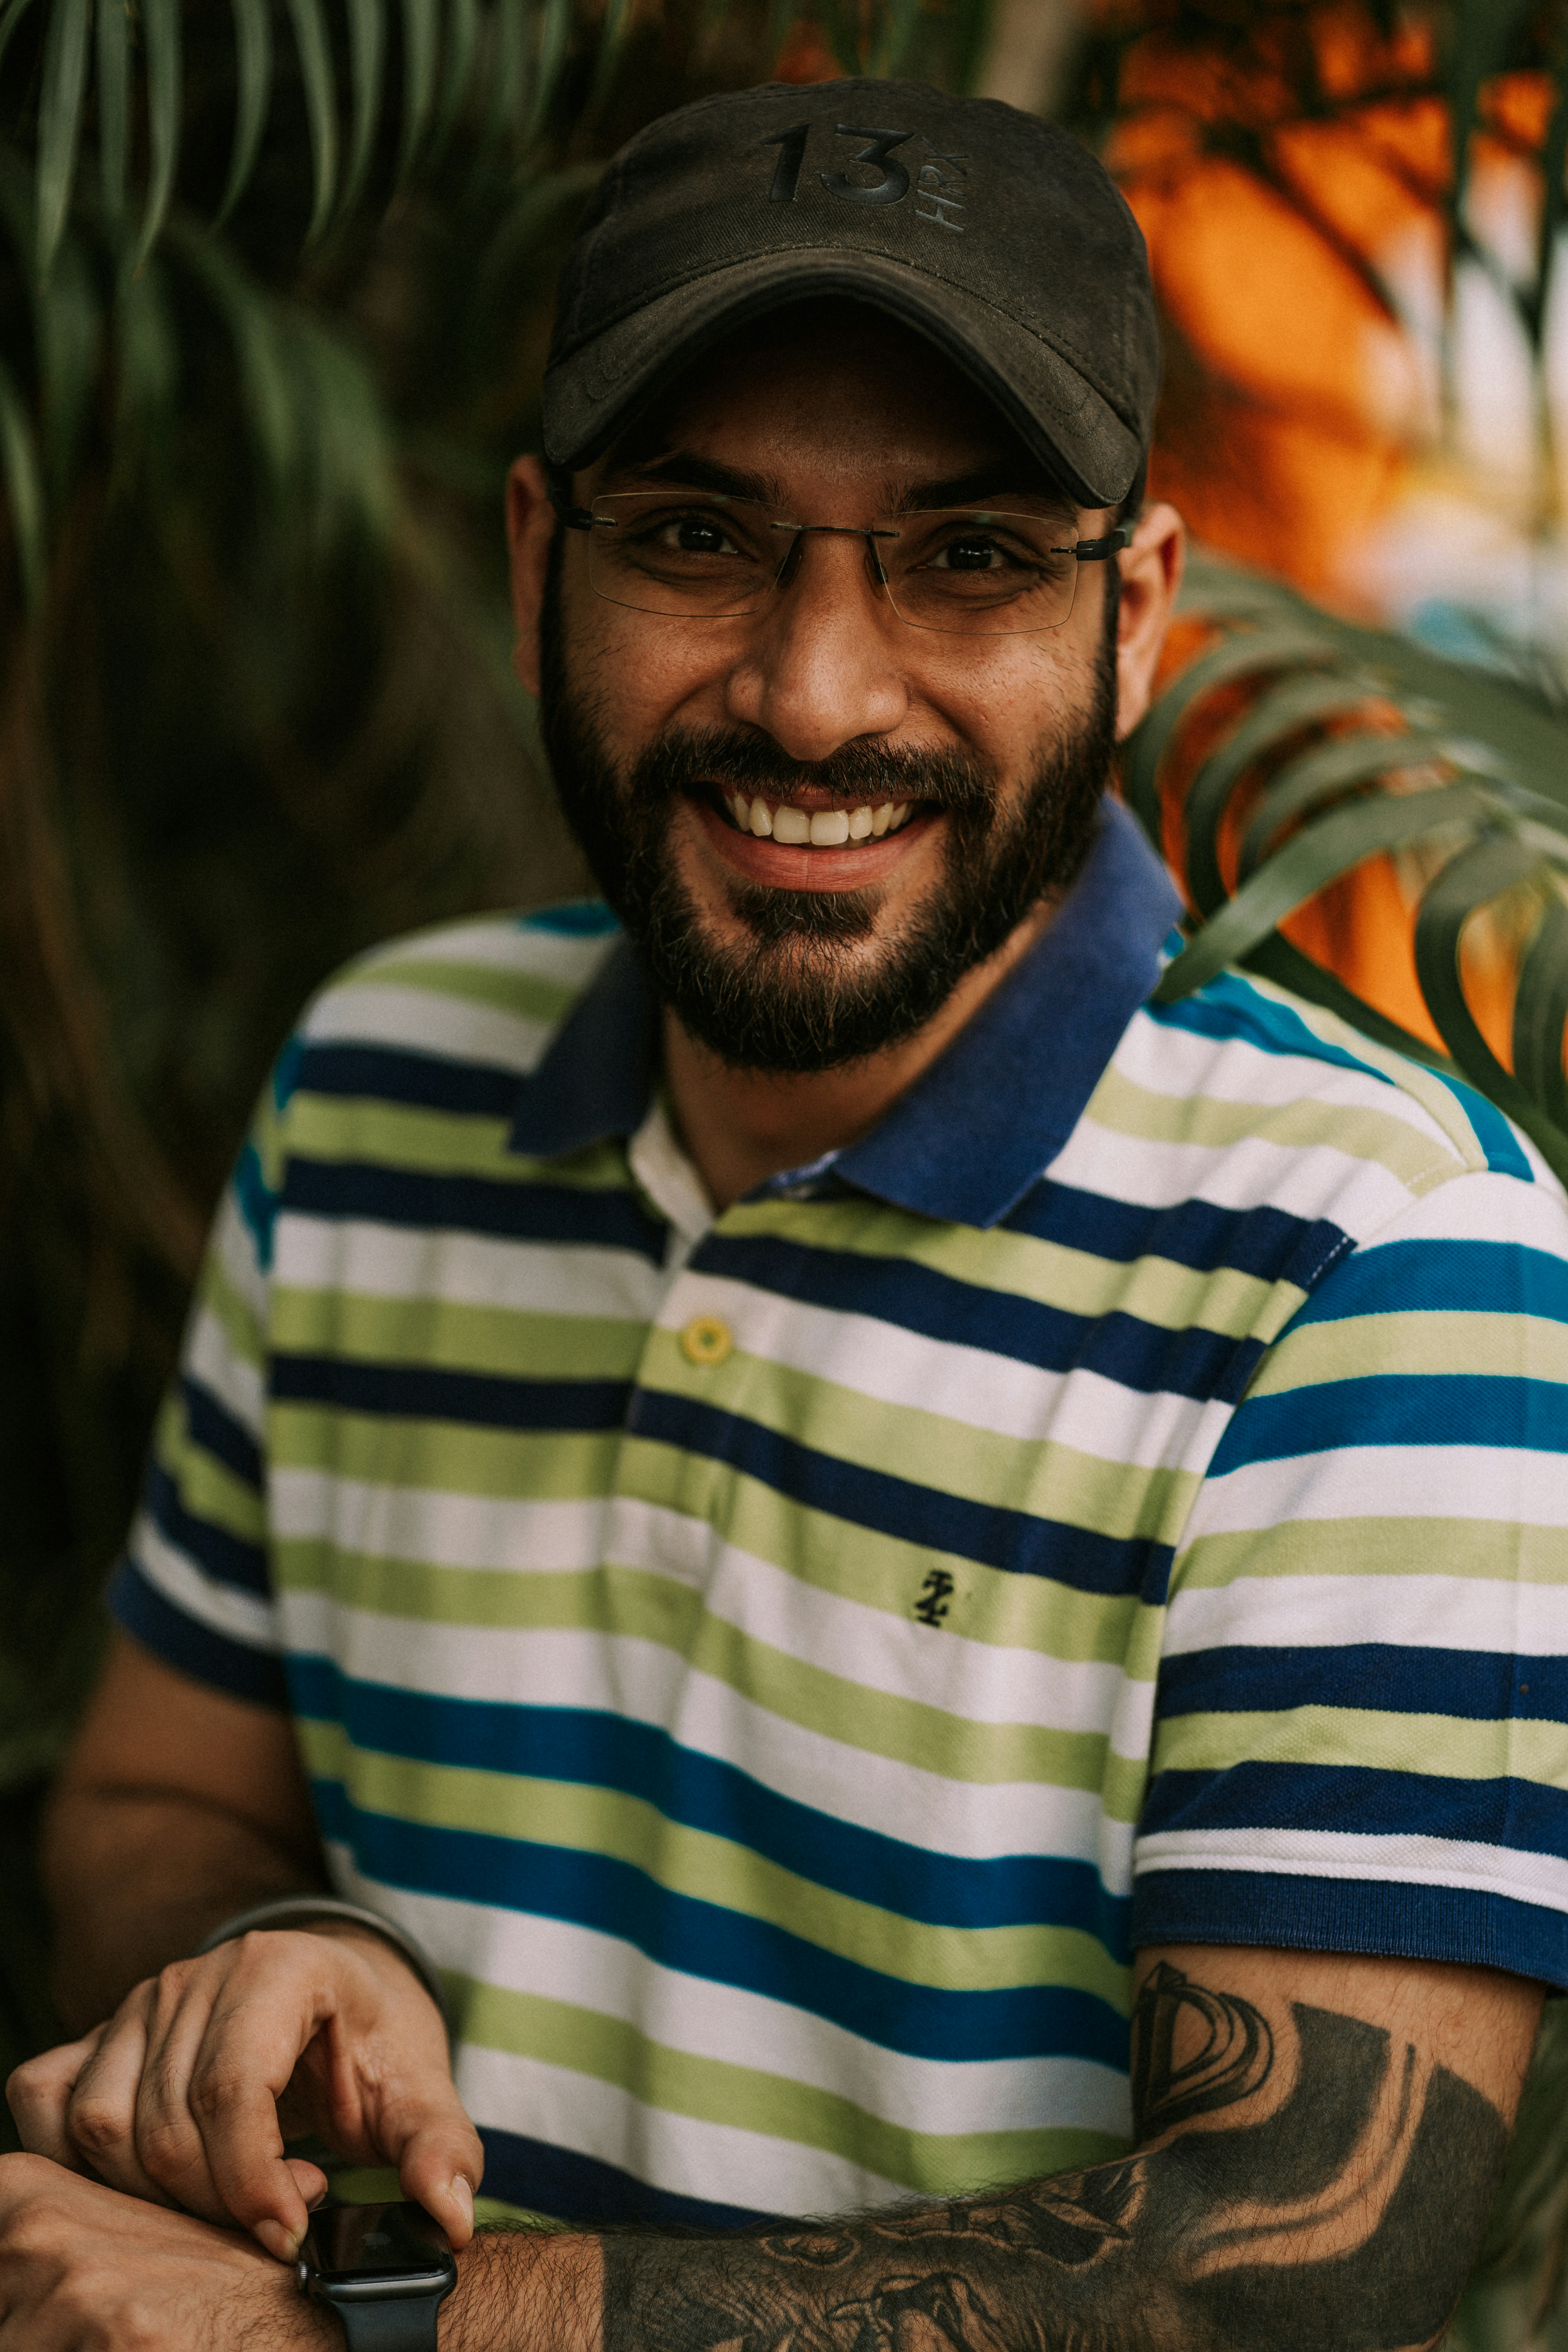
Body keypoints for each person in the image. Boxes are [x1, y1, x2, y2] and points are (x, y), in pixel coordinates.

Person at [4, 72, 1566, 2352]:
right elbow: (150, 1793)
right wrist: (286, 1957)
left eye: (967, 557)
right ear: (543, 559)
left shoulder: (1381, 1258)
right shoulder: (371, 1092)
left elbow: (1294, 2262)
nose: (816, 698)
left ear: (1134, 617)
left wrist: (383, 2335)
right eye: (702, 539)